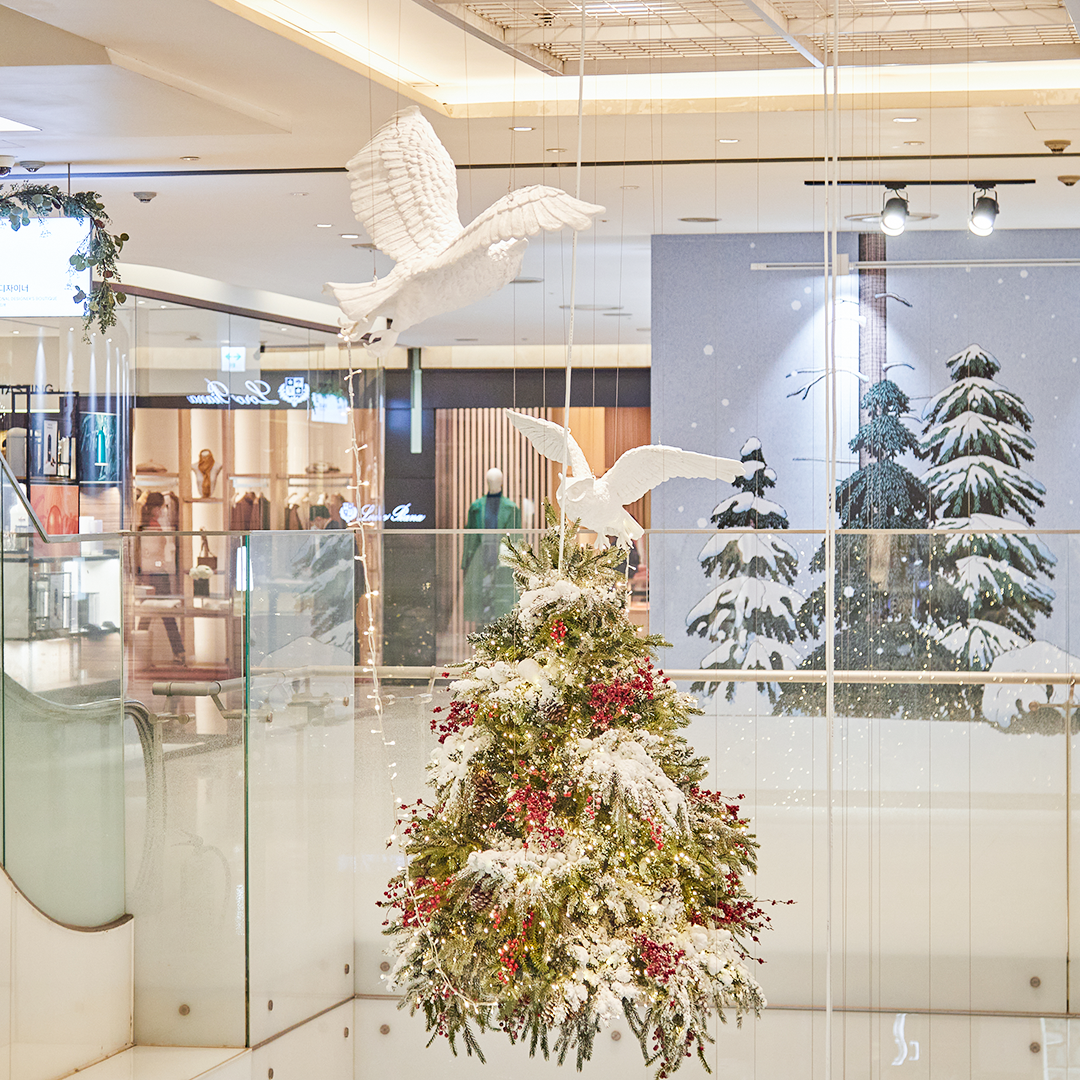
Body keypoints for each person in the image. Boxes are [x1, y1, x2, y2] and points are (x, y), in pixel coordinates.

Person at [136, 491, 185, 665]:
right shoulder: (151, 526)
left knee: (148, 614)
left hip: (152, 575)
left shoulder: (148, 525)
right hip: (156, 575)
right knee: (165, 614)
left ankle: (140, 654)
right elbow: (151, 555)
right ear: (155, 508)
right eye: (161, 507)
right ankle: (178, 652)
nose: (163, 510)